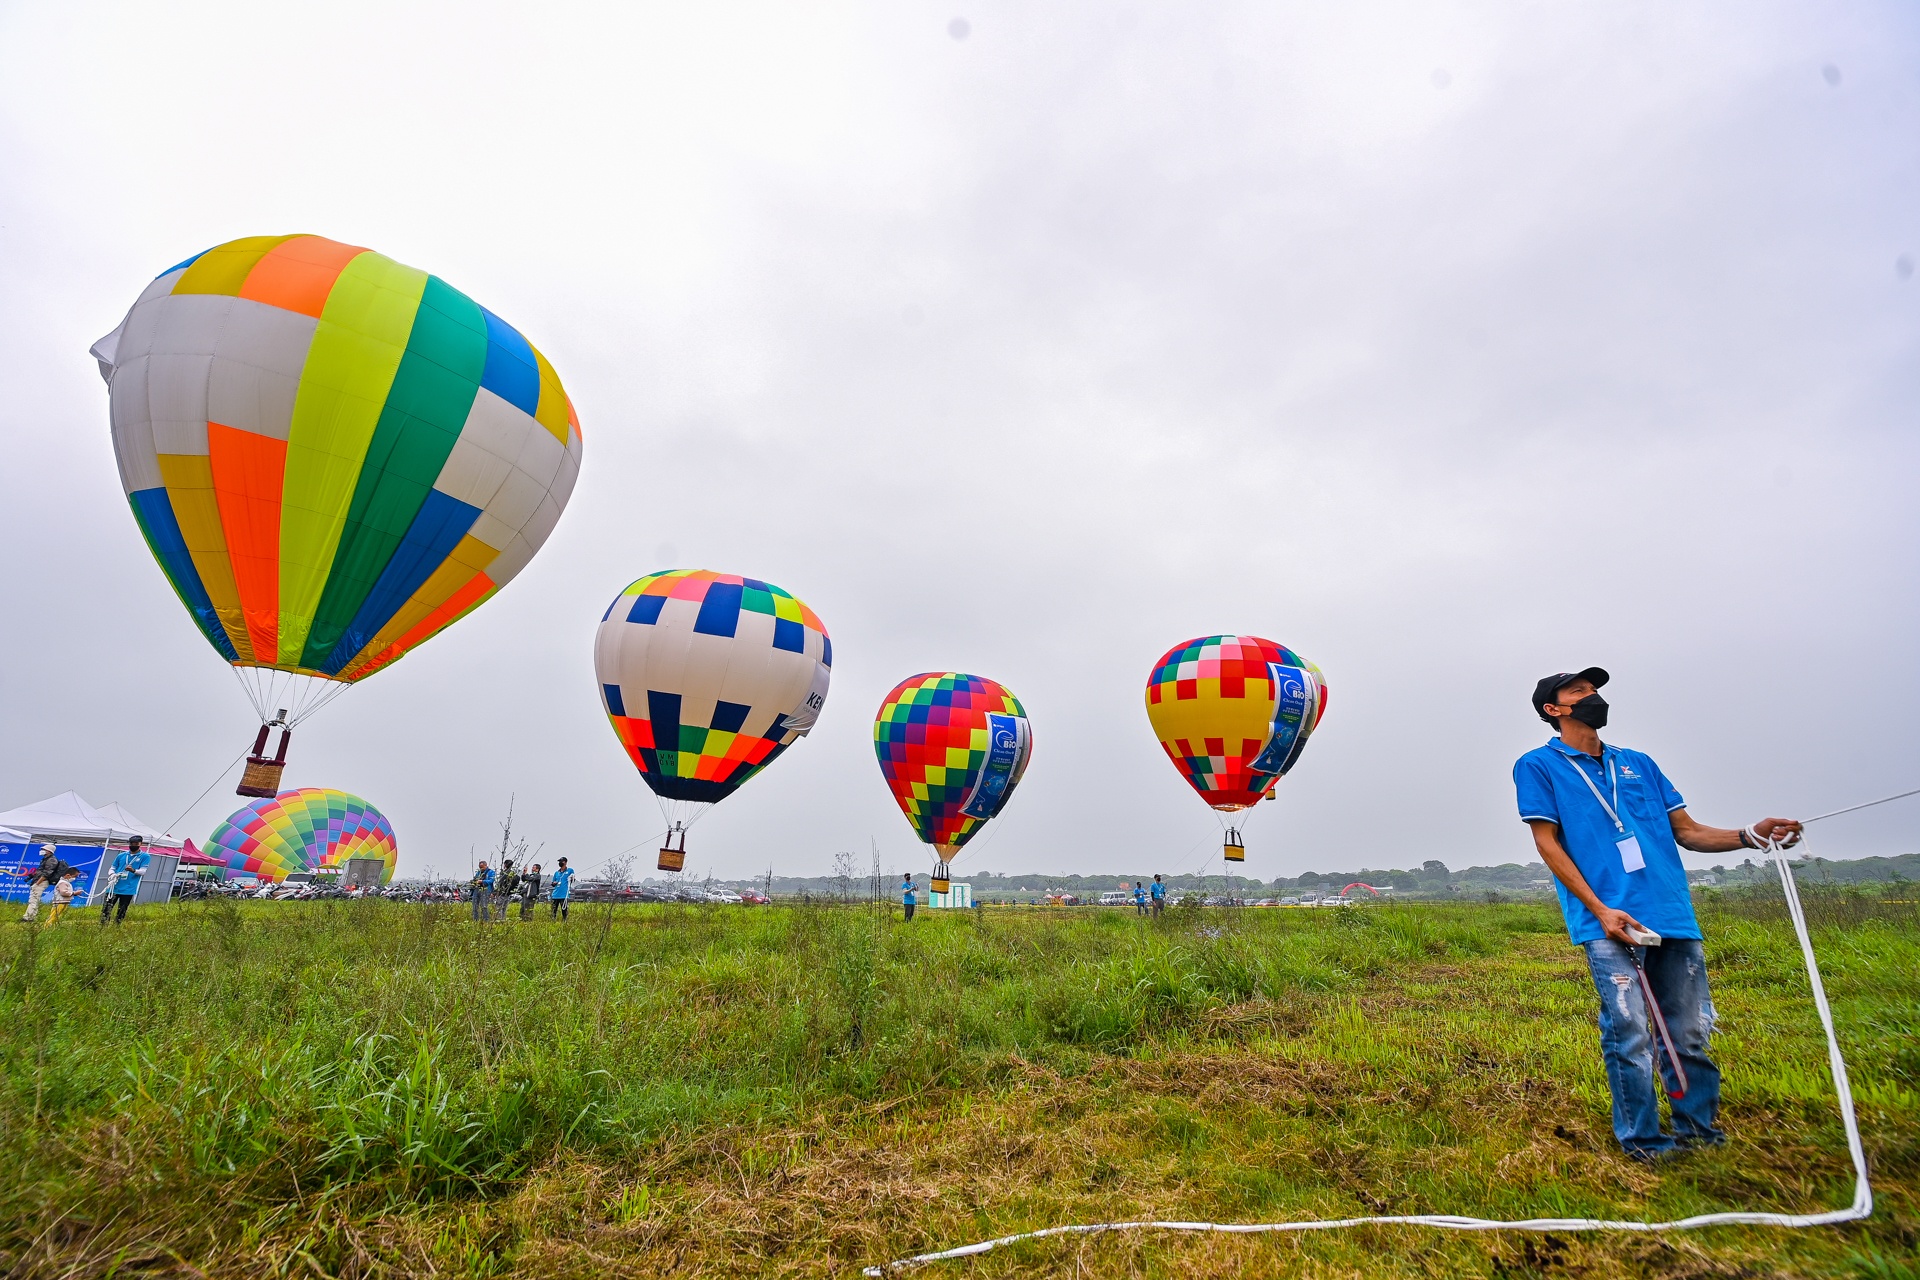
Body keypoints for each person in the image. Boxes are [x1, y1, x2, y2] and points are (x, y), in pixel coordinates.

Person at [1514, 668, 1801, 1161]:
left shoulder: (1640, 764)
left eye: (1595, 690)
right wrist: (1601, 910)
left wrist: (1750, 835)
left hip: (1671, 913)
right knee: (1629, 1030)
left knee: (1688, 1030)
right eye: (1579, 691)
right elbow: (1547, 843)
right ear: (1553, 710)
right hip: (1608, 918)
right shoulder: (1537, 766)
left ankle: (1699, 1133)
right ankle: (1644, 1141)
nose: (1593, 697)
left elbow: (1687, 831)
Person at [7, 844, 73, 923]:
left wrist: (38, 883)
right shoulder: (46, 859)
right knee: (34, 899)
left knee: (33, 900)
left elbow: (47, 873)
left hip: (41, 882)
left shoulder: (51, 860)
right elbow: (40, 871)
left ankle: (28, 918)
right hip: (38, 881)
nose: (42, 850)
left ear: (49, 851)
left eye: (44, 849)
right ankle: (31, 917)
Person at [99, 836, 150, 925]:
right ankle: (103, 925)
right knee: (106, 908)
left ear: (140, 844)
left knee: (122, 909)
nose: (133, 846)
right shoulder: (121, 855)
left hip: (128, 888)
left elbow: (143, 871)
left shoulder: (145, 856)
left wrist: (133, 870)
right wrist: (112, 874)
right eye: (131, 844)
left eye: (136, 844)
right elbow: (112, 868)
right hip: (114, 887)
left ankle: (117, 926)